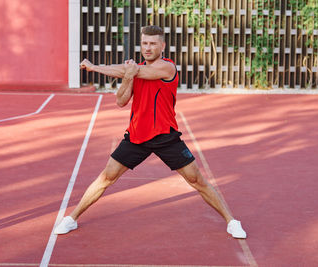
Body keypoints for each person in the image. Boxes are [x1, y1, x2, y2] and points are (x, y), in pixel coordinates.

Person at [54, 25, 247, 239]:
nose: (148, 47)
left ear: (162, 46)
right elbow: (120, 101)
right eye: (145, 43)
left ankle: (232, 221)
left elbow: (137, 71)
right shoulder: (134, 71)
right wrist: (127, 76)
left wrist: (94, 67)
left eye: (153, 43)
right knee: (106, 177)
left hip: (166, 136)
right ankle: (72, 219)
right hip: (137, 136)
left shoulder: (167, 68)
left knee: (197, 181)